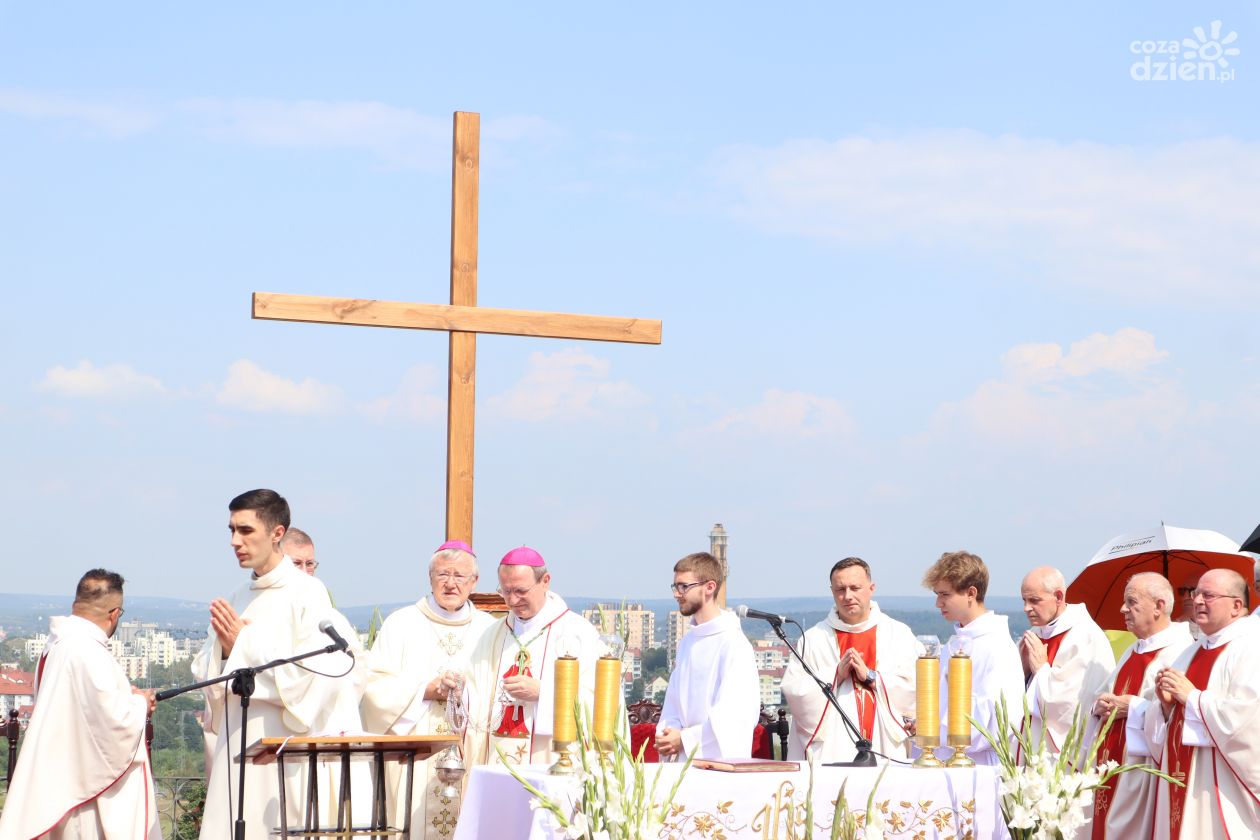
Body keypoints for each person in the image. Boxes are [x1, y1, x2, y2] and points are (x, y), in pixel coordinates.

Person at [193, 489, 360, 840]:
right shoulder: (238, 597)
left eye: (245, 530)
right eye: (231, 530)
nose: (235, 541)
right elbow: (204, 671)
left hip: (280, 747)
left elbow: (314, 677)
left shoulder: (307, 592)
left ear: (276, 533)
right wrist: (223, 653)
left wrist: (242, 645)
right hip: (237, 740)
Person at [0, 570, 161, 840]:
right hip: (84, 791)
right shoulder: (87, 651)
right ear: (115, 614)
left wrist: (127, 699)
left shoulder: (56, 645)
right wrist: (140, 703)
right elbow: (114, 725)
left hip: (60, 778)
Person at [361, 540, 496, 839]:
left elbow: (497, 691)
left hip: (468, 749)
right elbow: (373, 687)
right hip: (416, 752)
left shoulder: (490, 629)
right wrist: (425, 690)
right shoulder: (401, 624)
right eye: (442, 574)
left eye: (459, 576)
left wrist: (465, 695)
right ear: (430, 577)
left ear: (474, 581)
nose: (450, 583)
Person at [463, 546, 604, 766]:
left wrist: (543, 693)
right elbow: (475, 695)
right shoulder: (493, 635)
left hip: (553, 761)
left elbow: (599, 701)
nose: (512, 600)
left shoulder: (578, 633)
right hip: (497, 762)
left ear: (545, 581)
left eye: (520, 591)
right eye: (505, 591)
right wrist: (459, 690)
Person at [1146, 569, 1260, 839]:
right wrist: (1165, 706)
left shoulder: (1251, 647)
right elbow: (1168, 717)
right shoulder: (1189, 651)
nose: (1196, 600)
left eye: (1208, 595)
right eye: (1196, 594)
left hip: (1224, 789)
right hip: (1183, 779)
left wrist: (1192, 698)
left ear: (1236, 605)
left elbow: (1249, 719)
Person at [1083, 573, 1193, 839]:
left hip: (1143, 771)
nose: (1123, 609)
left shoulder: (1180, 651)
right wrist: (1099, 705)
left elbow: (1180, 714)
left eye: (1131, 602)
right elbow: (1106, 692)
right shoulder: (1134, 649)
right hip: (1110, 764)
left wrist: (1133, 707)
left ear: (1158, 606)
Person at [781, 557, 920, 763]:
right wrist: (835, 675)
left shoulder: (898, 634)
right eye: (840, 589)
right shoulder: (813, 639)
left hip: (885, 744)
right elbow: (795, 692)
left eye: (855, 588)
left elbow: (918, 688)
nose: (848, 596)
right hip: (832, 748)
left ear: (871, 588)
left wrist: (871, 677)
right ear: (832, 592)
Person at [920, 550, 1024, 765]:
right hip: (942, 760)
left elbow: (998, 720)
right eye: (937, 595)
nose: (938, 603)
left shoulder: (997, 646)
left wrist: (938, 730)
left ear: (971, 593)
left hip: (979, 764)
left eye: (945, 595)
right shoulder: (953, 645)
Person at [655, 552, 759, 760]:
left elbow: (734, 714)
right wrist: (669, 735)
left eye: (684, 586)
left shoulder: (734, 643)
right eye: (675, 586)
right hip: (683, 759)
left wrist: (685, 740)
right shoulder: (687, 642)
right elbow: (673, 704)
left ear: (709, 587)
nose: (677, 594)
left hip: (717, 763)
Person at [1018, 566, 1115, 754]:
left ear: (1058, 597)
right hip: (1029, 747)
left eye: (1034, 600)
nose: (1026, 608)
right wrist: (1023, 670)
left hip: (1065, 753)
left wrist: (1041, 670)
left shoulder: (1085, 637)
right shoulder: (1035, 633)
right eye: (1024, 600)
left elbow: (1072, 704)